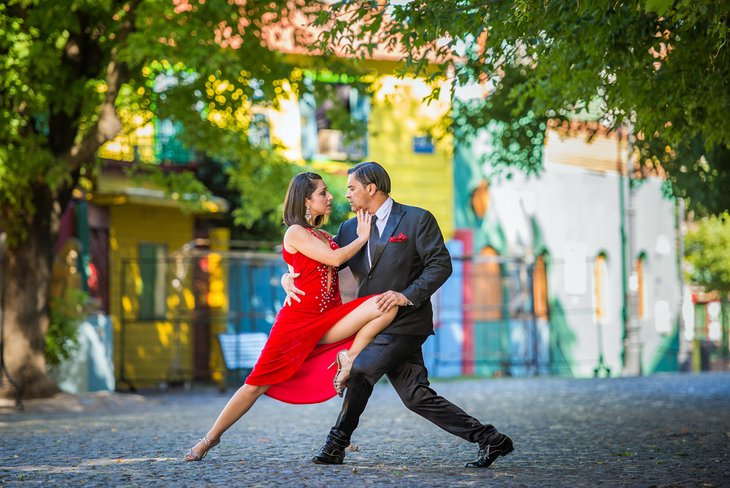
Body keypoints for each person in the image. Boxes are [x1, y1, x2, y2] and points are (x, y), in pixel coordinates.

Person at [283, 161, 513, 468]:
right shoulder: (349, 228)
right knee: (416, 396)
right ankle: (491, 439)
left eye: (352, 187)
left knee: (361, 370)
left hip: (407, 322)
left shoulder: (417, 219)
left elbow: (440, 265)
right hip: (372, 323)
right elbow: (321, 263)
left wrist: (406, 295)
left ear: (371, 188)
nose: (346, 194)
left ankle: (335, 444)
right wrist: (288, 277)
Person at [184, 172, 398, 462]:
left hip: (330, 318)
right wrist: (362, 238)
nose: (331, 196)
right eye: (323, 192)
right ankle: (209, 440)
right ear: (306, 200)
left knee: (387, 304)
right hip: (297, 324)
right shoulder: (295, 232)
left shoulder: (322, 235)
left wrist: (288, 275)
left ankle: (348, 358)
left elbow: (310, 265)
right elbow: (335, 259)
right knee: (255, 385)